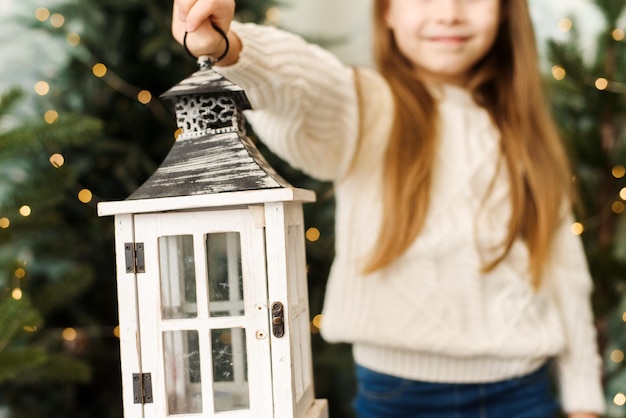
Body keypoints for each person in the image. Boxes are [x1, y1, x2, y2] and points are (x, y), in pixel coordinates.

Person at [171, 0, 605, 417]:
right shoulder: (363, 105)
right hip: (399, 395)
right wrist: (229, 47)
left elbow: (564, 273)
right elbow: (302, 81)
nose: (449, 13)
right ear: (388, 10)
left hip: (523, 392)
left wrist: (583, 399)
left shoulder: (526, 131)